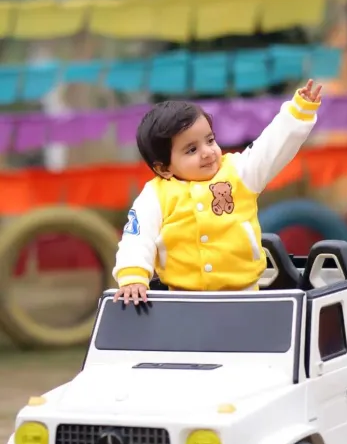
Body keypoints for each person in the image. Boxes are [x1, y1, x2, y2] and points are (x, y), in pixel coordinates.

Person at [113, 79, 322, 305]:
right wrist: (133, 277)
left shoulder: (239, 172)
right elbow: (137, 237)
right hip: (182, 301)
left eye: (210, 140)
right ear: (163, 168)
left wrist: (298, 113)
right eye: (191, 149)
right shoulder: (155, 195)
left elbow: (270, 149)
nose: (207, 152)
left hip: (244, 296)